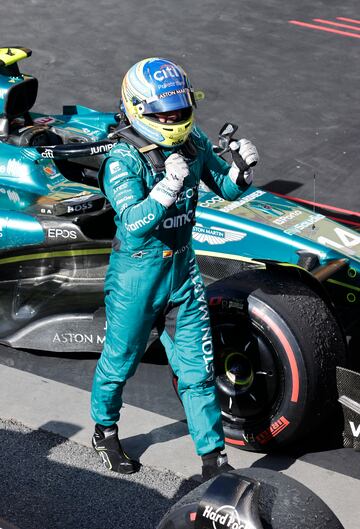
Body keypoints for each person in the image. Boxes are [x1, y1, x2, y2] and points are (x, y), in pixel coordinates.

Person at [90, 57, 259, 480]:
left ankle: (213, 461)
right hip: (136, 277)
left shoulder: (194, 141)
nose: (173, 118)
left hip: (182, 273)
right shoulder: (122, 160)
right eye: (163, 112)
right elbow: (131, 223)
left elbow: (226, 187)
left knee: (198, 371)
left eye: (180, 108)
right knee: (120, 361)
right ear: (138, 108)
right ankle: (104, 430)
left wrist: (242, 171)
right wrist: (165, 188)